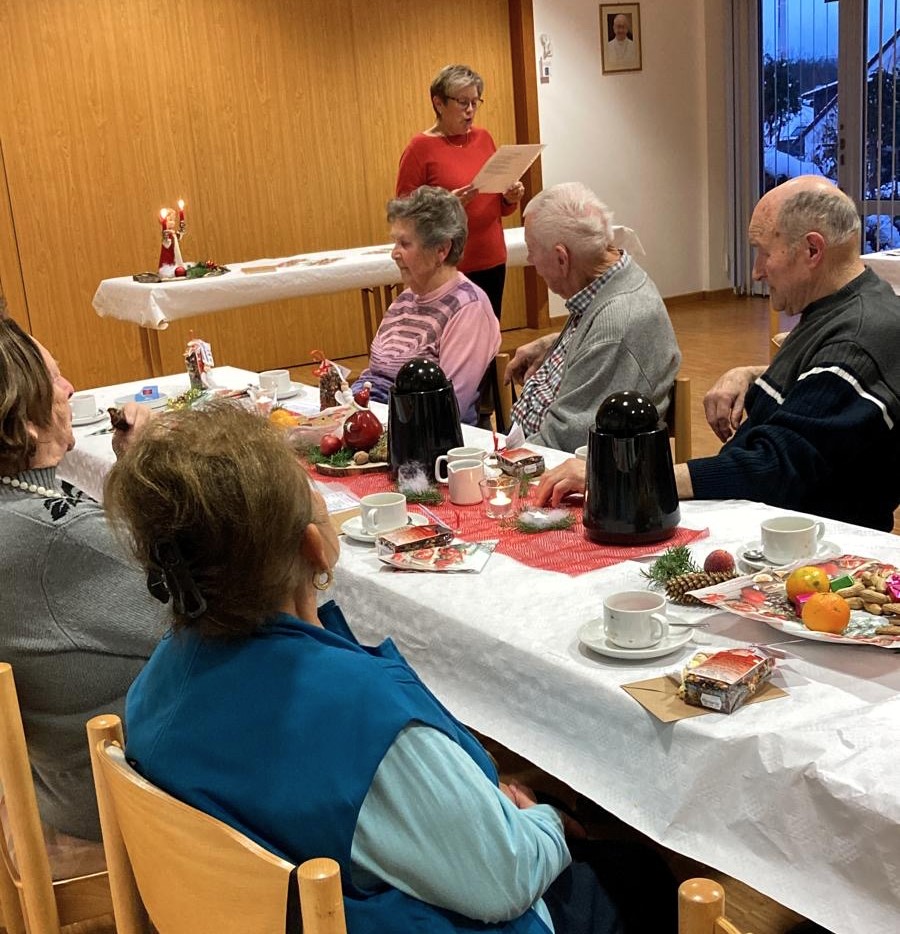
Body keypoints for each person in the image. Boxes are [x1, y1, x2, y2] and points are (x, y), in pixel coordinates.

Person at [107, 403, 677, 933]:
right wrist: (547, 819)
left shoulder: (152, 686)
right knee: (644, 877)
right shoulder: (359, 718)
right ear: (314, 548)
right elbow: (504, 879)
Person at [536, 176, 900, 532]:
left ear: (812, 250)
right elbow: (821, 383)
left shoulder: (857, 337)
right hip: (770, 515)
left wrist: (626, 476)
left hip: (801, 537)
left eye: (763, 252)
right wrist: (750, 373)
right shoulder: (853, 303)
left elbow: (772, 468)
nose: (756, 272)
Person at [0, 312, 165, 874]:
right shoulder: (53, 539)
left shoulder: (27, 512)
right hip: (120, 795)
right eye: (55, 378)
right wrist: (151, 469)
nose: (70, 389)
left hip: (55, 775)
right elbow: (204, 601)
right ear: (24, 423)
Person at [505, 182, 681, 454]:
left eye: (532, 250)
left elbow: (567, 442)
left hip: (546, 462)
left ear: (562, 259)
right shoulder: (608, 284)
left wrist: (499, 463)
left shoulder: (617, 324)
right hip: (530, 446)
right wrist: (554, 344)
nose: (530, 259)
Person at [352, 185, 500, 425]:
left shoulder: (468, 307)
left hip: (424, 435)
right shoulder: (405, 299)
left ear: (441, 249)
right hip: (378, 422)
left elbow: (448, 407)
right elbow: (375, 375)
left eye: (405, 244)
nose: (394, 253)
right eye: (395, 243)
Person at [396, 63, 525, 319]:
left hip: (491, 258)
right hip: (447, 266)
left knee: (488, 335)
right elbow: (403, 213)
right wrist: (446, 205)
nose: (470, 110)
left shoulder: (483, 138)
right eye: (463, 102)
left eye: (475, 102)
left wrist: (509, 198)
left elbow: (497, 205)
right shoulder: (419, 148)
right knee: (452, 339)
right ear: (439, 103)